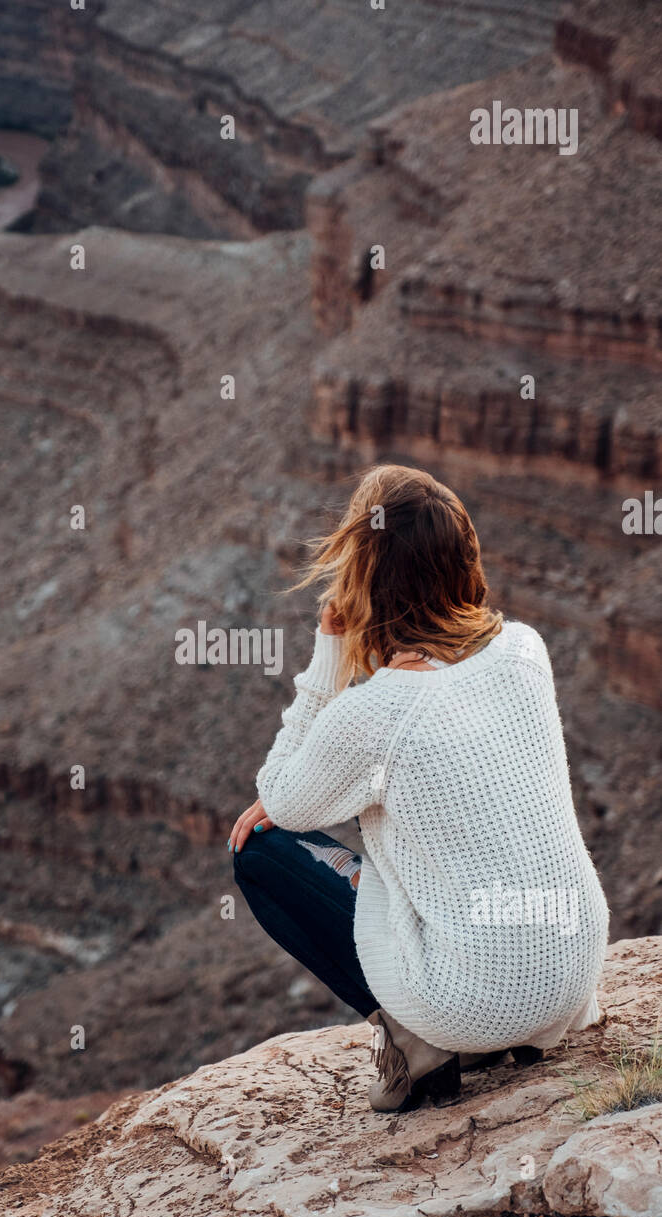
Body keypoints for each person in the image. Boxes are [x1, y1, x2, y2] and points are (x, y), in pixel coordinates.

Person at [228, 464, 609, 1112]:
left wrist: (327, 657)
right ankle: (504, 1020)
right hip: (572, 977)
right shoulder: (524, 650)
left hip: (474, 1002)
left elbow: (281, 798)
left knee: (259, 850)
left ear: (366, 580)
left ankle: (417, 1040)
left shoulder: (375, 712)